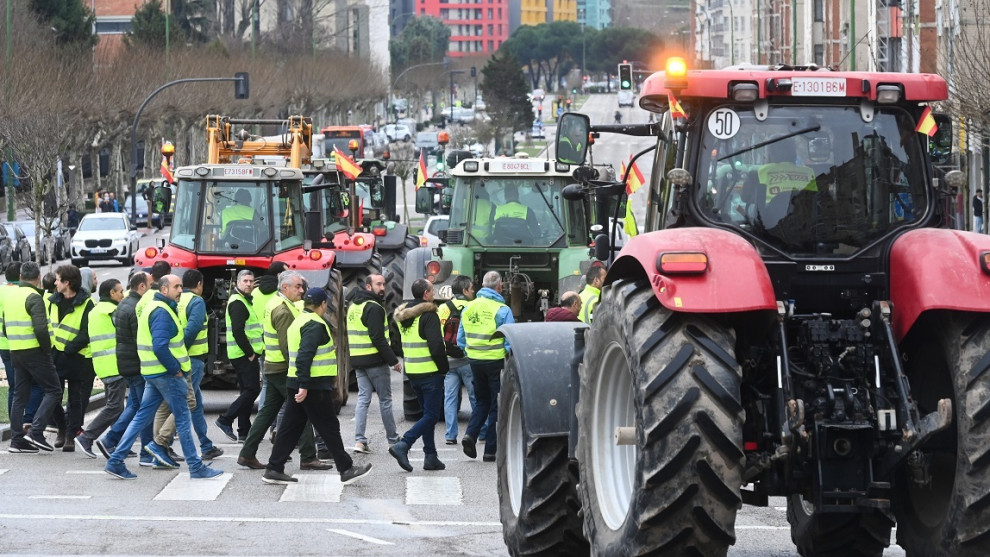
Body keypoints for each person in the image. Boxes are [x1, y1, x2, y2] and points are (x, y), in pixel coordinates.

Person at [103, 275, 223, 480]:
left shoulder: (153, 306)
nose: (180, 290)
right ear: (164, 289)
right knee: (182, 418)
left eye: (181, 286)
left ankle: (115, 460)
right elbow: (160, 346)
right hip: (167, 374)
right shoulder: (162, 311)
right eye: (176, 287)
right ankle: (195, 467)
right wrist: (175, 369)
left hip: (153, 372)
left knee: (142, 416)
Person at [261, 287, 373, 485]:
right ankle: (346, 469)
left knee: (290, 427)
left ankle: (274, 468)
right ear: (323, 304)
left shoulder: (298, 321)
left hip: (297, 382)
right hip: (312, 386)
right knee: (329, 427)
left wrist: (300, 384)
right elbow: (305, 356)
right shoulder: (315, 324)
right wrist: (304, 385)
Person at [238, 270, 331, 471]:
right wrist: (299, 373)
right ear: (285, 287)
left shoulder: (276, 303)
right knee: (302, 409)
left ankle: (247, 453)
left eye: (301, 286)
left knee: (266, 413)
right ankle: (308, 456)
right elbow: (287, 346)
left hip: (273, 366)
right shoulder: (283, 310)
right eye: (297, 287)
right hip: (282, 368)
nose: (301, 290)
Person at [149, 269, 223, 465]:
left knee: (193, 402)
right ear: (199, 284)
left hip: (179, 358)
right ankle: (160, 444)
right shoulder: (196, 301)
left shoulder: (175, 301)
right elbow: (193, 328)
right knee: (184, 403)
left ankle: (205, 445)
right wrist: (181, 352)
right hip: (191, 359)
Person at [389, 279, 450, 472]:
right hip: (430, 372)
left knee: (426, 415)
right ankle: (404, 444)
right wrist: (444, 368)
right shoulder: (428, 314)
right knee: (432, 416)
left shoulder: (404, 316)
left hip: (413, 372)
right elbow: (436, 346)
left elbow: (400, 345)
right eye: (432, 291)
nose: (434, 294)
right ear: (426, 294)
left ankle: (430, 456)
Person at [97, 271, 155, 467]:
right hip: (136, 363)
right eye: (150, 285)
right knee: (145, 409)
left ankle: (111, 440)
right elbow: (142, 337)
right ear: (142, 286)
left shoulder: (123, 304)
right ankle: (143, 452)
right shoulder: (137, 307)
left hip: (124, 362)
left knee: (135, 405)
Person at [5, 261, 63, 453]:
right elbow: (40, 328)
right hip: (35, 351)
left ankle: (16, 440)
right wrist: (46, 349)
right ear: (39, 278)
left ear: (20, 277)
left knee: (19, 395)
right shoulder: (34, 297)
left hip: (16, 350)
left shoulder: (11, 296)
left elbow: (4, 327)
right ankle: (36, 431)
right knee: (54, 390)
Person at [456, 270, 514, 462]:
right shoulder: (502, 310)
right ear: (500, 287)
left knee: (482, 401)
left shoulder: (468, 308)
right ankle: (490, 450)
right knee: (496, 405)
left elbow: (460, 339)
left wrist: (471, 352)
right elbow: (510, 341)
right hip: (496, 362)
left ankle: (470, 434)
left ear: (482, 286)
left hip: (475, 362)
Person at [347, 274, 401, 454]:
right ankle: (393, 440)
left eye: (384, 284)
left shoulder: (354, 307)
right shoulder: (374, 308)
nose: (383, 287)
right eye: (378, 284)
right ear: (368, 286)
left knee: (363, 399)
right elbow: (378, 338)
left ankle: (359, 441)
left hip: (358, 360)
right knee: (385, 400)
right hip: (375, 361)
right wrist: (393, 360)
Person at [75, 279, 126, 458]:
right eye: (120, 291)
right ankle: (86, 437)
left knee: (116, 406)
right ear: (112, 293)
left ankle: (115, 443)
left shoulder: (95, 310)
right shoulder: (113, 311)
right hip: (115, 365)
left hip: (102, 365)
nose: (123, 295)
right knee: (115, 406)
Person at [49, 264, 96, 452]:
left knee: (76, 399)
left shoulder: (87, 303)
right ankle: (61, 428)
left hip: (76, 357)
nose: (55, 283)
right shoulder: (52, 301)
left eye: (58, 280)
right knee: (53, 397)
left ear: (67, 282)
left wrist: (69, 349)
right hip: (55, 356)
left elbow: (86, 332)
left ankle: (70, 435)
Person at [216, 270, 263, 442]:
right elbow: (238, 331)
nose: (249, 284)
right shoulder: (238, 302)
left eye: (251, 281)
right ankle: (226, 419)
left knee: (246, 390)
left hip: (242, 353)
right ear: (237, 282)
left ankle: (244, 430)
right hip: (244, 354)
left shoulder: (243, 300)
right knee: (253, 390)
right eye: (245, 281)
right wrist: (250, 353)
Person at [439, 275, 482, 445]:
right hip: (467, 360)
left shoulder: (443, 308)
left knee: (449, 398)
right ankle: (479, 432)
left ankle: (450, 435)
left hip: (449, 361)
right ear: (464, 291)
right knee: (475, 398)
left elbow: (438, 335)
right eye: (471, 289)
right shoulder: (473, 307)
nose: (473, 292)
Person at [1, 262, 43, 427]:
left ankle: (15, 425)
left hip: (5, 344)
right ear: (21, 276)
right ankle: (28, 421)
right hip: (24, 344)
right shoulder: (22, 293)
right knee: (34, 385)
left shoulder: (2, 291)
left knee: (15, 387)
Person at [757, 140, 818, 204]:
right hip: (804, 209)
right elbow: (814, 198)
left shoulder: (763, 170)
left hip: (771, 210)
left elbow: (750, 197)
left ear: (770, 154)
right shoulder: (808, 172)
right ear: (794, 154)